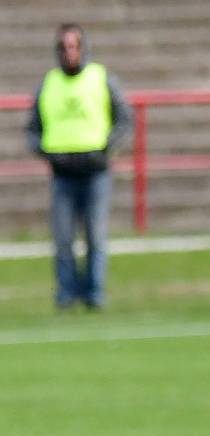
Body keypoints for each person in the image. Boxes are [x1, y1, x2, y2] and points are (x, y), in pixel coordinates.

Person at [26, 23, 132, 310]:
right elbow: (32, 129)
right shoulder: (48, 83)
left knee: (96, 237)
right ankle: (66, 295)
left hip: (95, 171)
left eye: (73, 46)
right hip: (62, 174)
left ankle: (94, 295)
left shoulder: (101, 78)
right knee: (63, 240)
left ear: (83, 48)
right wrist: (46, 152)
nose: (68, 52)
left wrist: (107, 148)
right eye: (63, 47)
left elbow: (124, 117)